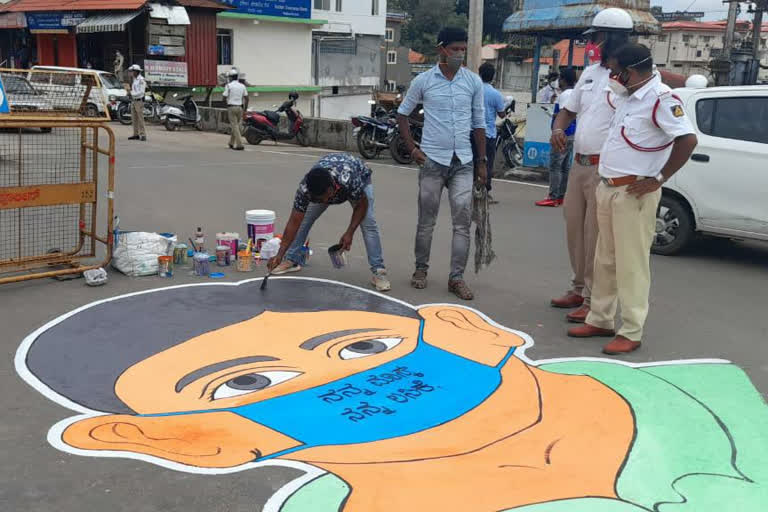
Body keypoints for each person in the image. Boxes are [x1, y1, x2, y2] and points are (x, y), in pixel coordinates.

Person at [19, 278, 767, 511]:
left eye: (366, 346)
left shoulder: (711, 398)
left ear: (462, 325)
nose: (357, 381)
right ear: (188, 439)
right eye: (247, 384)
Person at [568, 44, 698, 355]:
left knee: (631, 265)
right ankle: (600, 318)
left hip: (634, 191)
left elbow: (688, 139)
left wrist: (659, 178)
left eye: (615, 71)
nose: (611, 76)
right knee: (605, 259)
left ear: (631, 71)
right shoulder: (627, 99)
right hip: (609, 187)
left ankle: (631, 329)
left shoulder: (661, 99)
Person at [548, 7, 633, 324]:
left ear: (613, 39)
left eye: (597, 37)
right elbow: (568, 110)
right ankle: (578, 286)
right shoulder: (590, 72)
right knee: (574, 230)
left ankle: (593, 299)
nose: (592, 43)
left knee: (596, 237)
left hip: (604, 169)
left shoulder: (630, 77)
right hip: (579, 165)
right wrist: (558, 129)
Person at [397, 26, 487, 301]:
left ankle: (456, 277)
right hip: (432, 160)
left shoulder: (473, 82)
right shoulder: (424, 81)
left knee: (462, 221)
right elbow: (402, 114)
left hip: (464, 161)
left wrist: (482, 162)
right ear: (442, 50)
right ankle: (420, 269)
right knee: (427, 221)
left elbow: (479, 124)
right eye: (455, 49)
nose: (460, 53)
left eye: (463, 49)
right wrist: (412, 149)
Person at [267, 153, 391, 292]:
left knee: (369, 224)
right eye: (317, 199)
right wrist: (279, 255)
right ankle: (291, 259)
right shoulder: (305, 189)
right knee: (304, 220)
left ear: (332, 189)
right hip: (330, 174)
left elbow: (361, 206)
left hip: (358, 174)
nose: (324, 202)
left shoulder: (349, 180)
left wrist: (349, 232)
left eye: (324, 198)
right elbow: (294, 222)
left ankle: (378, 271)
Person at [536, 67, 578, 207]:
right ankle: (561, 196)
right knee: (565, 167)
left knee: (555, 166)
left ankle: (553, 196)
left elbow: (564, 115)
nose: (558, 82)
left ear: (564, 80)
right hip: (572, 134)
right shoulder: (576, 94)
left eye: (560, 79)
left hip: (562, 134)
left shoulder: (565, 95)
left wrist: (554, 118)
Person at [478, 62, 507, 204]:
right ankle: (485, 193)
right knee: (487, 163)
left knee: (472, 162)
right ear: (493, 76)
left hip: (472, 132)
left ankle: (471, 191)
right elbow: (502, 114)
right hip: (488, 133)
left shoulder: (474, 91)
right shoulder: (496, 94)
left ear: (479, 74)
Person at [223, 68, 246, 151]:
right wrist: (245, 109)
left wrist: (226, 105)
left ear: (231, 77)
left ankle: (239, 144)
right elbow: (247, 98)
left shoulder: (228, 86)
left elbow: (224, 97)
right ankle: (231, 143)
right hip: (240, 107)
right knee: (236, 126)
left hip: (231, 107)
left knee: (235, 126)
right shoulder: (242, 86)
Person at [127, 64, 146, 141]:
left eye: (132, 71)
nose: (131, 73)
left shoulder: (141, 80)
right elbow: (134, 90)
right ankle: (136, 134)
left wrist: (131, 94)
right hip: (134, 101)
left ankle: (143, 134)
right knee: (134, 119)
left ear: (136, 71)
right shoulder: (135, 79)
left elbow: (141, 92)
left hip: (139, 101)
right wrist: (130, 92)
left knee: (140, 119)